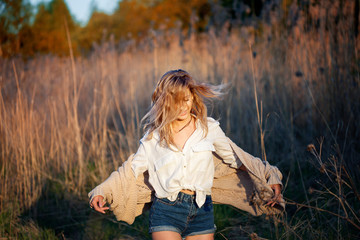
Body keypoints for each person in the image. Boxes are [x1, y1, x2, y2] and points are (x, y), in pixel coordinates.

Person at [90, 69, 282, 240]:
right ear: (165, 101)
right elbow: (131, 170)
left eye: (187, 99)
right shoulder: (154, 136)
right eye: (176, 101)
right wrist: (102, 191)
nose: (182, 106)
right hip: (166, 209)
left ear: (193, 98)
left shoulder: (209, 128)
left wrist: (268, 175)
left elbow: (238, 158)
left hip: (202, 209)